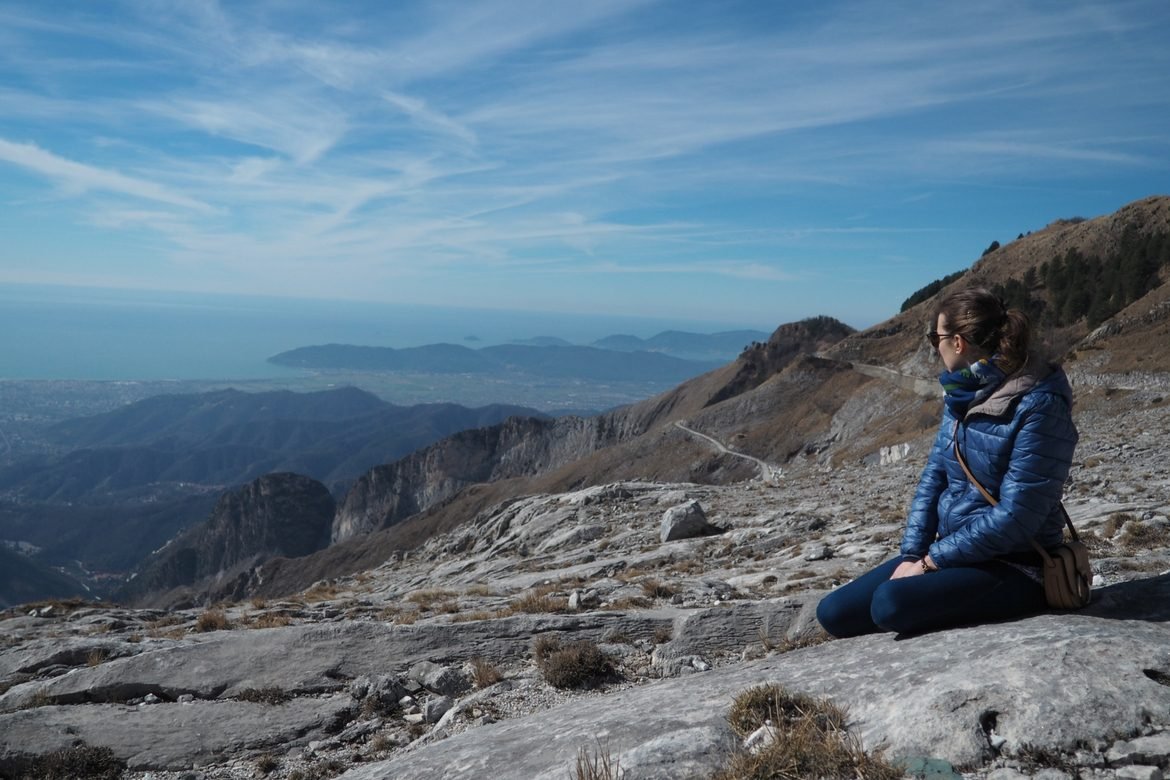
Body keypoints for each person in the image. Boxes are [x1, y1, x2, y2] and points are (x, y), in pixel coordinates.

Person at [816, 287, 1078, 637]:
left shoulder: (1040, 404)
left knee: (889, 605)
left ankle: (1018, 597)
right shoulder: (962, 394)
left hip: (1019, 564)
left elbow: (1019, 516)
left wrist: (929, 563)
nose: (934, 346)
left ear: (958, 343)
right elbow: (935, 477)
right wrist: (913, 554)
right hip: (954, 553)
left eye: (934, 338)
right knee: (834, 613)